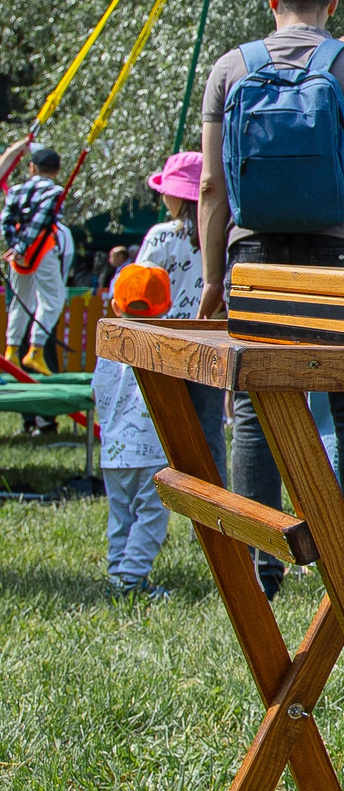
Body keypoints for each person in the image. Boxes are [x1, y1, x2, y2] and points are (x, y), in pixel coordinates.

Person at [197, 0, 344, 598]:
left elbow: (210, 186)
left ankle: (261, 567)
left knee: (256, 411)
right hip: (340, 261)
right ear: (333, 4)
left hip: (255, 260)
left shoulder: (230, 68)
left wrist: (212, 276)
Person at [137, 151, 223, 476]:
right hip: (209, 343)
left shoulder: (161, 235)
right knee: (209, 432)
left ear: (174, 195)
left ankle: (165, 491)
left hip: (164, 344)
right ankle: (215, 501)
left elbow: (139, 288)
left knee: (165, 431)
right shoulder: (221, 236)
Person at [98, 264, 175, 598]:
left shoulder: (107, 346)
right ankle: (132, 578)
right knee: (151, 515)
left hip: (113, 451)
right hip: (151, 449)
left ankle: (117, 573)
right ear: (166, 306)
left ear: (116, 306)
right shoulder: (161, 344)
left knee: (121, 516)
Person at [4, 143, 72, 381]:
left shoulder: (16, 190)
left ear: (32, 167)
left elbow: (6, 219)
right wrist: (22, 247)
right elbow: (40, 221)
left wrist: (14, 245)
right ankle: (35, 348)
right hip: (41, 248)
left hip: (19, 251)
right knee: (53, 299)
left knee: (21, 299)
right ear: (56, 171)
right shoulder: (54, 192)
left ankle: (12, 348)